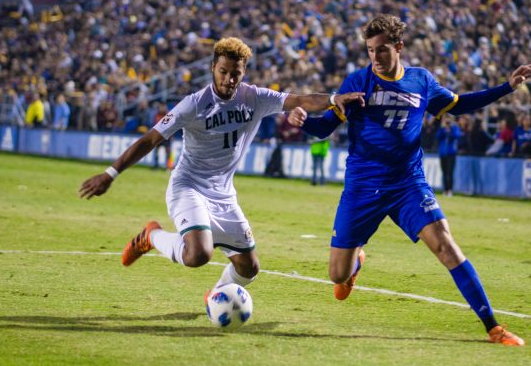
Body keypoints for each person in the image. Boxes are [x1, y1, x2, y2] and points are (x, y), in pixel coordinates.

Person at [287, 15, 531, 346]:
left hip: (408, 184)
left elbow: (458, 105)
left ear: (399, 47)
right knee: (337, 275)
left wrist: (506, 87)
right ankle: (356, 262)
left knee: (446, 246)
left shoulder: (422, 81)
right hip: (363, 187)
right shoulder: (357, 82)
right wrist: (303, 121)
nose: (375, 56)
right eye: (371, 50)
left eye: (382, 49)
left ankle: (493, 327)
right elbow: (323, 127)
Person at [79, 38, 364, 297]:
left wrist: (331, 99)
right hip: (188, 186)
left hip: (223, 194)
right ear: (213, 67)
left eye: (236, 74)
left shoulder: (255, 98)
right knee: (198, 254)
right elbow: (150, 139)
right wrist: (110, 174)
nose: (229, 79)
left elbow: (300, 100)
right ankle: (151, 236)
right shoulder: (193, 104)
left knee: (248, 268)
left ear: (244, 72)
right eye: (223, 72)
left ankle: (216, 297)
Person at [436, 115, 462, 196]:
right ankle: (445, 189)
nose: (447, 122)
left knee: (449, 173)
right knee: (444, 172)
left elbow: (457, 135)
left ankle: (450, 190)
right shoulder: (443, 129)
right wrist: (442, 127)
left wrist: (452, 127)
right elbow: (437, 136)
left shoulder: (454, 128)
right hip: (443, 153)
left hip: (451, 153)